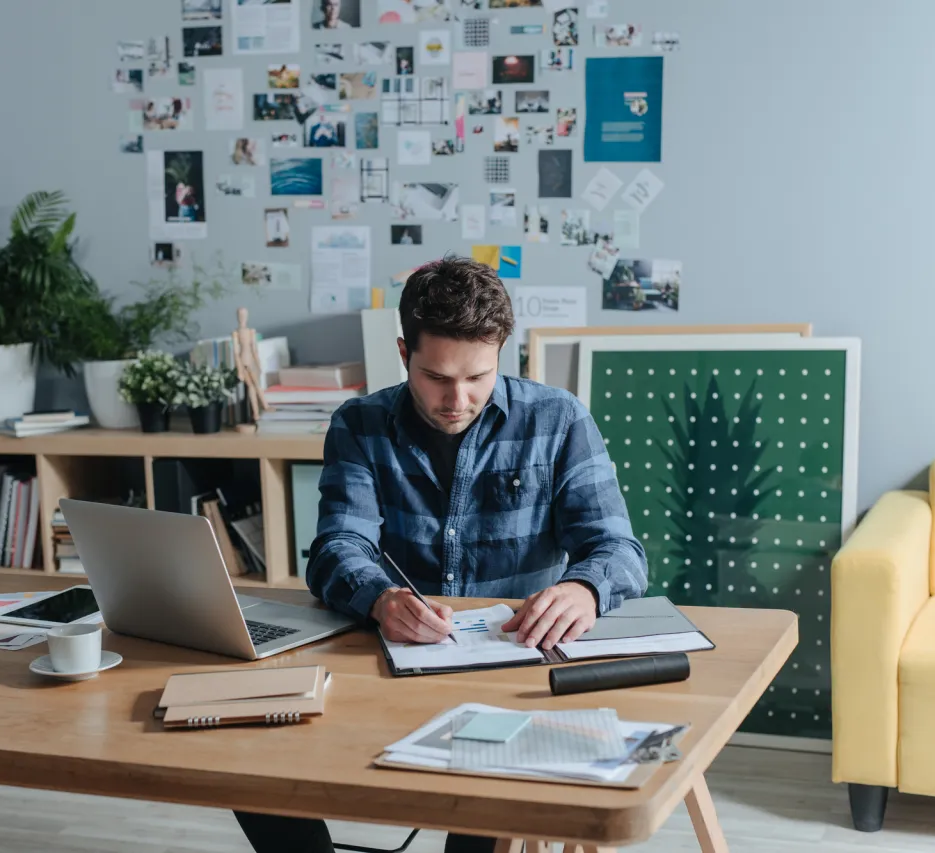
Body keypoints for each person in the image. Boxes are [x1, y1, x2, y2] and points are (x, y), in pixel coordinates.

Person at [232, 255, 648, 853]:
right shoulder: (359, 422)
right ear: (404, 354)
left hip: (511, 679)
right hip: (385, 667)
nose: (458, 398)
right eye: (436, 377)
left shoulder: (558, 419)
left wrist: (583, 589)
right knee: (247, 755)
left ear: (504, 352)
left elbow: (618, 550)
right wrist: (379, 599)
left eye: (478, 376)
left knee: (480, 813)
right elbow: (335, 548)